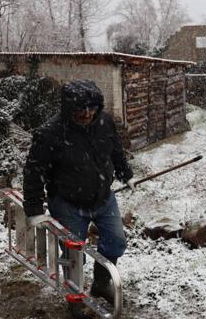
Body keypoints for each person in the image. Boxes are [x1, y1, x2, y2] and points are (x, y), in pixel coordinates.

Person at [23, 79, 134, 318]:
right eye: (80, 108)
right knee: (75, 255)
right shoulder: (50, 134)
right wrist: (34, 209)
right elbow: (33, 171)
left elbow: (115, 150)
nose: (86, 113)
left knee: (116, 243)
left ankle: (101, 284)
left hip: (104, 198)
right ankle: (75, 298)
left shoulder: (104, 123)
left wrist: (126, 173)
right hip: (67, 203)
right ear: (67, 108)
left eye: (91, 107)